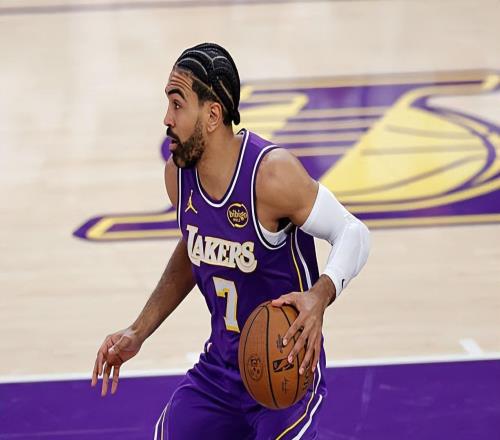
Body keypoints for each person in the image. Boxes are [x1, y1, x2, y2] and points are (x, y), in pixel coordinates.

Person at [91, 43, 370, 439]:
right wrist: (139, 330)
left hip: (286, 368)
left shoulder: (271, 174)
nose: (167, 118)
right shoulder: (178, 175)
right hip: (221, 372)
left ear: (212, 115)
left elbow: (353, 232)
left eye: (177, 104)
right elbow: (194, 248)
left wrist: (319, 295)